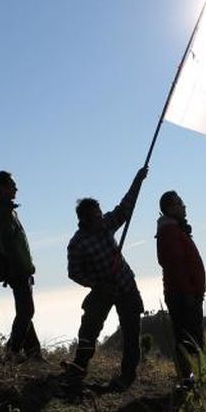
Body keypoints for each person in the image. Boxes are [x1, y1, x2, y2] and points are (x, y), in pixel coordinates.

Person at [63, 166, 148, 391]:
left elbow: (125, 207)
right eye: (96, 215)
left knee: (132, 332)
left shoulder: (105, 225)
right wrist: (98, 284)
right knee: (89, 329)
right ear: (84, 219)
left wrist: (137, 180)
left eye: (100, 213)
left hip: (126, 285)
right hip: (103, 291)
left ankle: (127, 376)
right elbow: (75, 273)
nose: (101, 217)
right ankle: (79, 366)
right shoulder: (77, 243)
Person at [0, 171, 44, 363]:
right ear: (2, 188)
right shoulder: (2, 214)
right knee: (26, 311)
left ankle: (34, 352)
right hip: (17, 270)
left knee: (25, 311)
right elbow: (5, 246)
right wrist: (17, 268)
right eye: (12, 184)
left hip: (19, 269)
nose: (16, 188)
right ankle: (13, 351)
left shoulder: (7, 211)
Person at [156, 191, 206, 387]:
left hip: (186, 292)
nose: (184, 207)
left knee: (190, 337)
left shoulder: (175, 230)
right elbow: (175, 264)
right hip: (182, 294)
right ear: (169, 208)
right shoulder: (170, 232)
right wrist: (188, 292)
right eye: (180, 203)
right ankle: (187, 379)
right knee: (187, 339)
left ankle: (190, 378)